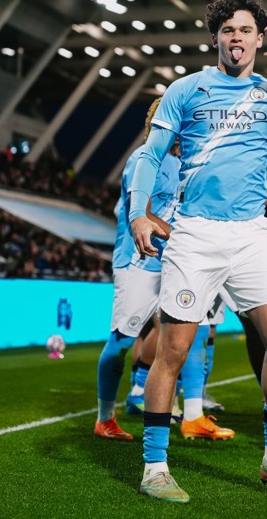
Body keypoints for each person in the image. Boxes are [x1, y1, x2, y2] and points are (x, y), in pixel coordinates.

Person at [128, 0, 267, 502]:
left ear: (257, 39)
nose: (237, 38)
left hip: (251, 235)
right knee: (174, 351)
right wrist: (141, 212)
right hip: (196, 234)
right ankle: (154, 467)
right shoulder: (186, 90)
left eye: (246, 30)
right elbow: (150, 153)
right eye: (228, 30)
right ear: (215, 39)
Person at [94, 99, 181, 441]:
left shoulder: (178, 162)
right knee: (120, 342)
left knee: (174, 335)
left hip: (170, 263)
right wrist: (180, 235)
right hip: (138, 261)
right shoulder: (144, 158)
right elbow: (140, 211)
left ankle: (147, 396)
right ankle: (104, 418)